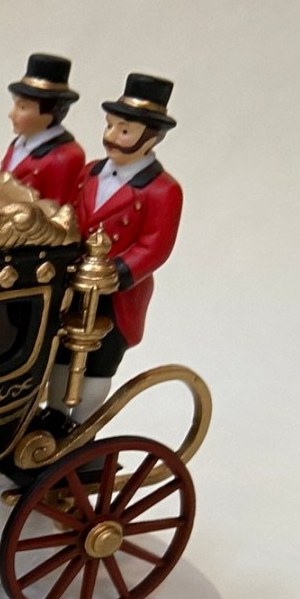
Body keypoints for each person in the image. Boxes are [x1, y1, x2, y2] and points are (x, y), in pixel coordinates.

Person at [52, 72, 183, 422]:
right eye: (110, 126)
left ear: (151, 137)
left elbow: (155, 246)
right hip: (74, 284)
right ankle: (54, 417)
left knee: (98, 363)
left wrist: (117, 272)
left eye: (124, 131)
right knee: (59, 354)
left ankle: (82, 425)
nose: (111, 136)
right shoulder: (90, 172)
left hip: (116, 295)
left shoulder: (162, 190)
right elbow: (71, 216)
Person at [1, 53, 85, 207]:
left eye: (22, 107)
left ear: (48, 114)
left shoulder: (65, 157)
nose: (12, 114)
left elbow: (55, 209)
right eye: (15, 105)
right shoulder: (17, 144)